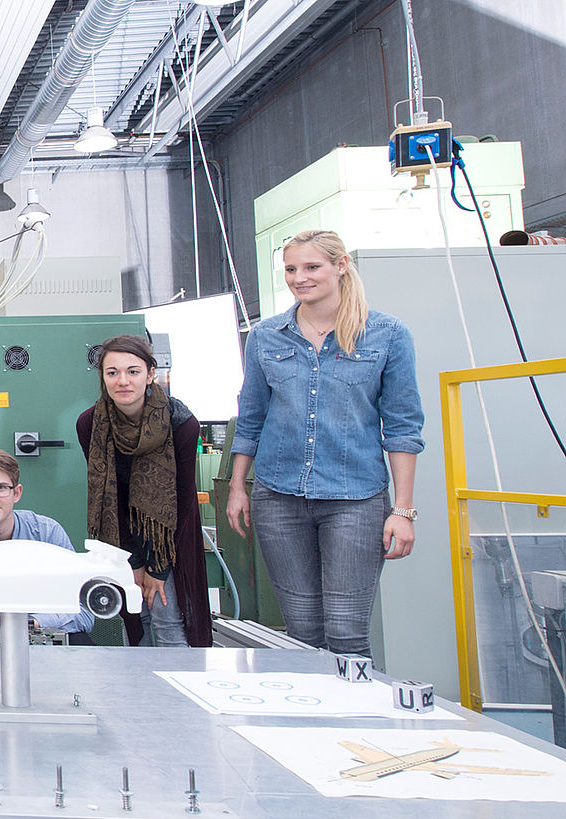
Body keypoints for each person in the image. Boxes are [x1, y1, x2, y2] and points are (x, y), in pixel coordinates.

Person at [225, 229, 424, 656]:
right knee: (302, 634)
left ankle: (358, 721)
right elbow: (252, 417)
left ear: (341, 265)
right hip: (279, 498)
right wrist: (238, 487)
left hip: (355, 499)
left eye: (312, 267)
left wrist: (403, 510)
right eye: (291, 269)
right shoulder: (266, 337)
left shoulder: (386, 335)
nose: (300, 278)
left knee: (347, 634)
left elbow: (403, 427)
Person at [76, 334, 211, 648]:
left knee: (168, 618)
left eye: (133, 371)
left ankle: (177, 694)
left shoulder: (183, 425)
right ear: (103, 377)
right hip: (119, 539)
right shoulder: (91, 425)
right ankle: (137, 693)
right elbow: (109, 499)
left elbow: (184, 501)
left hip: (172, 537)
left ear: (150, 374)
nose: (123, 381)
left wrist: (158, 568)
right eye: (113, 373)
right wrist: (133, 562)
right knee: (135, 618)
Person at [0, 448, 94, 643]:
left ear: (17, 493)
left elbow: (84, 612)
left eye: (1, 487)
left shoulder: (47, 534)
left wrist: (33, 624)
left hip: (52, 637)